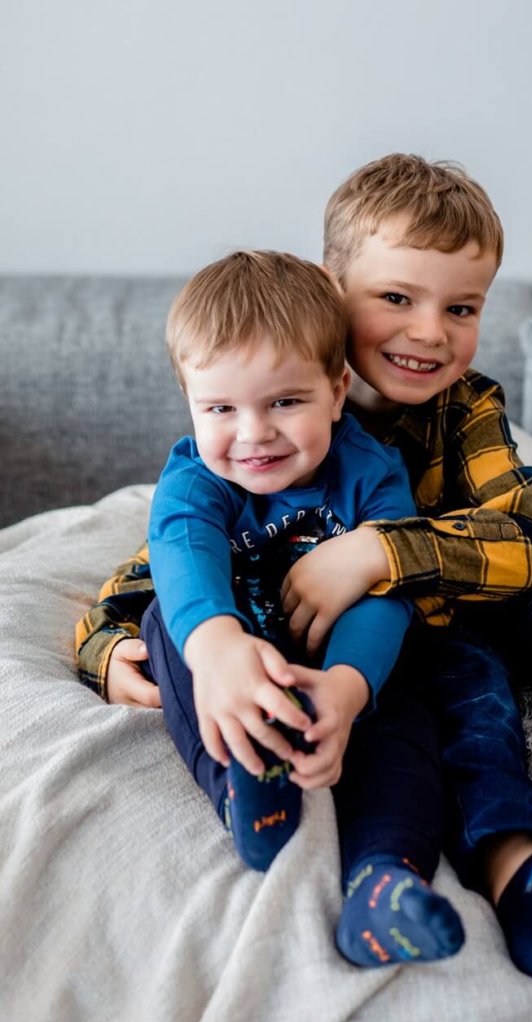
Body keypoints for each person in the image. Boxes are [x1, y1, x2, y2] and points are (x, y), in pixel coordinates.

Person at [77, 154, 532, 981]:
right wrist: (106, 645)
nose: (429, 332)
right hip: (389, 644)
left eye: (460, 307)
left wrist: (379, 551)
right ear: (331, 289)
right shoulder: (271, 404)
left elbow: (529, 542)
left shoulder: (465, 411)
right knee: (460, 690)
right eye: (396, 298)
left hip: (465, 605)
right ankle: (517, 878)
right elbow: (181, 554)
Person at [116, 248, 466, 969]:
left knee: (404, 717)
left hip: (339, 655)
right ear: (190, 405)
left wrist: (347, 687)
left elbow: (383, 592)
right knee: (166, 626)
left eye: (284, 402)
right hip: (239, 653)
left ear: (337, 393)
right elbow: (183, 555)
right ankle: (248, 791)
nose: (253, 433)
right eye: (220, 409)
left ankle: (384, 882)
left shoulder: (372, 473)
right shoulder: (195, 479)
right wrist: (218, 647)